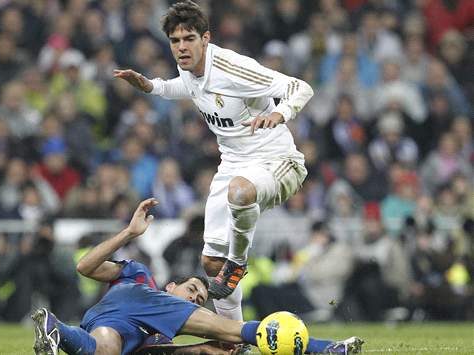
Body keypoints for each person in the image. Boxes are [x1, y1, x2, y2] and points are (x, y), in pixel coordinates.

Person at [114, 0, 313, 321]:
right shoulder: (188, 67)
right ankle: (234, 339)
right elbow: (190, 88)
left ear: (205, 38)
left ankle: (238, 262)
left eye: (189, 39)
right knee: (210, 264)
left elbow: (299, 87)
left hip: (277, 160)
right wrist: (152, 87)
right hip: (233, 163)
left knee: (239, 194)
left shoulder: (233, 67)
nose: (181, 47)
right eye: (175, 41)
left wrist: (280, 112)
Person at [31, 199, 364, 355]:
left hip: (107, 327)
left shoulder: (160, 337)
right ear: (170, 285)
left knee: (104, 352)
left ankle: (56, 330)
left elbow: (162, 354)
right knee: (234, 332)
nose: (193, 297)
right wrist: (129, 233)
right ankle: (325, 349)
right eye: (191, 289)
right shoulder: (141, 279)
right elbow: (85, 266)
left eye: (198, 299)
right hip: (134, 305)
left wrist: (203, 350)